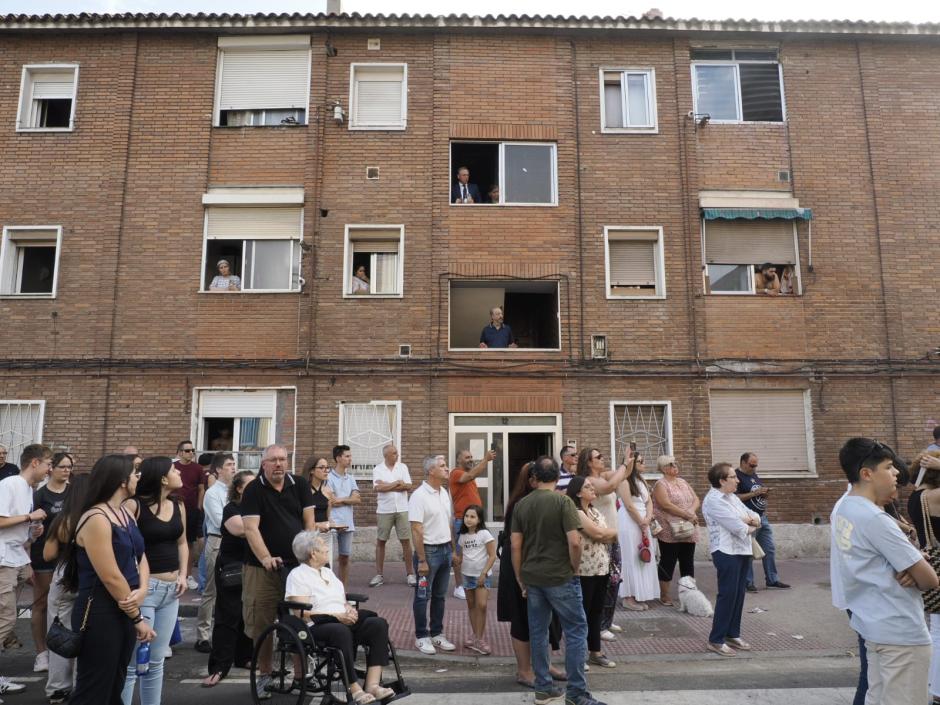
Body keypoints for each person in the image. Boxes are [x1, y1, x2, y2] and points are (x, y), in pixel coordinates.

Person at [834, 438, 938, 704]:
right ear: (867, 474)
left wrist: (912, 563)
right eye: (889, 467)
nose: (895, 474)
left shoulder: (845, 507)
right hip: (901, 632)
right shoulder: (876, 519)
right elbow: (929, 579)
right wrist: (916, 567)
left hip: (873, 625)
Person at [58, 455, 156, 705]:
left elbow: (141, 557)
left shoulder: (125, 514)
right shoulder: (96, 518)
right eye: (135, 473)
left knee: (115, 683)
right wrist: (137, 617)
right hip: (100, 609)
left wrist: (143, 589)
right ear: (121, 480)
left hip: (124, 604)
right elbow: (111, 576)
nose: (138, 477)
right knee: (94, 687)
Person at [512, 456, 605, 705]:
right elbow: (575, 542)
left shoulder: (522, 505)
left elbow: (515, 546)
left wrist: (521, 578)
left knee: (539, 632)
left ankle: (543, 688)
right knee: (576, 631)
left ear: (534, 478)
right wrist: (574, 568)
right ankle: (576, 693)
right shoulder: (563, 502)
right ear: (556, 477)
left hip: (533, 577)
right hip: (560, 575)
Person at [241, 444, 317, 698]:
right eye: (273, 460)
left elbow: (309, 523)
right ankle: (265, 676)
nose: (279, 464)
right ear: (263, 464)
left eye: (283, 459)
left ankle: (301, 675)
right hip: (262, 569)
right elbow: (251, 528)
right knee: (262, 622)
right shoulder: (253, 489)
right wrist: (265, 557)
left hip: (296, 567)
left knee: (297, 621)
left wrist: (311, 558)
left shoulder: (300, 485)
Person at [285, 531, 395, 704]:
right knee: (340, 631)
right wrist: (336, 616)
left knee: (378, 624)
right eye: (323, 546)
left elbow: (340, 600)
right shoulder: (298, 575)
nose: (327, 549)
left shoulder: (328, 572)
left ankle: (372, 685)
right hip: (316, 626)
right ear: (313, 553)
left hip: (341, 618)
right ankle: (354, 688)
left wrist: (349, 609)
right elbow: (301, 613)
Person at [121, 457, 188, 705]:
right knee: (135, 661)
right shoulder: (133, 506)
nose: (179, 471)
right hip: (145, 590)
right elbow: (125, 548)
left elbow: (182, 543)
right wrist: (141, 583)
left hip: (172, 591)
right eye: (173, 469)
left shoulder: (178, 504)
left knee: (156, 660)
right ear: (162, 478)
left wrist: (182, 574)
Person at [497, 462, 565, 689]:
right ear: (531, 480)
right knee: (522, 617)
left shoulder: (544, 500)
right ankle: (524, 670)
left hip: (538, 563)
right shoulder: (520, 504)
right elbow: (517, 543)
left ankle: (544, 665)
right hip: (520, 564)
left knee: (545, 617)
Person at [0, 444, 51, 697]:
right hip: (2, 559)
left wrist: (33, 530)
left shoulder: (29, 490)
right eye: (47, 464)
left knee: (7, 619)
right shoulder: (10, 484)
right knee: (5, 619)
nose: (49, 470)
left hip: (16, 558)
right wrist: (29, 518)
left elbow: (18, 525)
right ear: (34, 463)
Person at [202, 470, 255, 688]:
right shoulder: (231, 508)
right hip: (232, 567)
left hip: (252, 567)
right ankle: (218, 667)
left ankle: (244, 657)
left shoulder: (256, 508)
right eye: (250, 485)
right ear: (240, 488)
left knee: (248, 614)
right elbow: (242, 530)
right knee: (228, 616)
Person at [702, 462, 760, 657]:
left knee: (739, 593)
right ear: (722, 480)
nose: (737, 480)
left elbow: (754, 516)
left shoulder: (732, 497)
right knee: (727, 594)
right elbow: (738, 527)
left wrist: (749, 521)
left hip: (742, 550)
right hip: (725, 551)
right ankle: (716, 639)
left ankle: (732, 634)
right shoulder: (714, 500)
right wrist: (747, 523)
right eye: (734, 477)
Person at [42, 474, 89, 705]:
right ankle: (83, 685)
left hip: (64, 577)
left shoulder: (63, 519)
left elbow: (48, 555)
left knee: (60, 632)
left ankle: (59, 688)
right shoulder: (94, 518)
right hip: (88, 577)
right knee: (84, 632)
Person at [566, 476, 618, 669]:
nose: (592, 489)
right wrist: (605, 534)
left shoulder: (595, 511)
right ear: (578, 492)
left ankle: (595, 652)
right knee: (582, 613)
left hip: (601, 568)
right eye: (587, 487)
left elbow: (610, 535)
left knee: (596, 612)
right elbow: (598, 534)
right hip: (583, 570)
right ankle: (579, 655)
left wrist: (606, 534)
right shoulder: (576, 513)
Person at [576, 447, 628, 638]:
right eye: (598, 457)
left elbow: (622, 476)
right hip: (601, 537)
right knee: (606, 582)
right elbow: (609, 487)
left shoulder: (604, 475)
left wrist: (628, 461)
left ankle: (607, 619)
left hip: (612, 536)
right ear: (589, 462)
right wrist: (624, 464)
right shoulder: (590, 481)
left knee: (614, 580)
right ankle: (600, 626)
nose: (602, 458)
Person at [409, 455, 458, 655]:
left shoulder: (444, 492)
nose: (447, 469)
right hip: (428, 552)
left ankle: (437, 633)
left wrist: (453, 550)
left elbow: (449, 522)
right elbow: (416, 530)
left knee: (440, 595)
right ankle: (422, 636)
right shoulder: (419, 496)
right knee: (423, 596)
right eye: (442, 466)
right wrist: (421, 560)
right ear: (431, 471)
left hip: (445, 549)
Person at [30, 451, 73, 674]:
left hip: (68, 556)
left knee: (63, 605)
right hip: (43, 554)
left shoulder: (73, 492)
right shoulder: (40, 495)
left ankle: (62, 649)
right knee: (42, 602)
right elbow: (31, 525)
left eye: (69, 467)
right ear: (51, 469)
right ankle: (41, 653)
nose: (66, 471)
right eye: (62, 467)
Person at [906, 450, 940, 705]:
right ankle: (937, 691)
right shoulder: (934, 496)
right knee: (939, 632)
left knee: (936, 629)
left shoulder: (916, 497)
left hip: (932, 563)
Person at [195, 453, 236, 653]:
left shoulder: (235, 492)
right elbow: (221, 523)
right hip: (218, 542)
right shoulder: (213, 493)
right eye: (229, 464)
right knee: (211, 590)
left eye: (234, 464)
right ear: (218, 470)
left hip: (234, 543)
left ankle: (229, 633)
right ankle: (203, 636)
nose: (233, 467)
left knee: (232, 589)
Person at [736, 452, 790, 592]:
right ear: (742, 462)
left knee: (769, 549)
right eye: (751, 465)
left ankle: (772, 580)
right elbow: (735, 498)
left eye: (756, 465)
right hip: (748, 520)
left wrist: (764, 493)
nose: (754, 468)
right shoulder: (736, 476)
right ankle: (748, 582)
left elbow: (756, 492)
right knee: (749, 551)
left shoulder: (754, 475)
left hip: (762, 518)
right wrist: (754, 493)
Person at [651, 455, 700, 605]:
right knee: (668, 560)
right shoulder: (661, 484)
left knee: (688, 561)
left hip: (688, 526)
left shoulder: (683, 482)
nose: (675, 466)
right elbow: (666, 505)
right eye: (672, 464)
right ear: (664, 468)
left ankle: (689, 593)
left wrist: (691, 512)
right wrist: (686, 514)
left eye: (675, 463)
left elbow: (696, 499)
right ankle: (664, 595)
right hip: (670, 529)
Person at [449, 448, 496, 599]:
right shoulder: (456, 473)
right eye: (467, 457)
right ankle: (459, 586)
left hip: (476, 521)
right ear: (458, 460)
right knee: (460, 555)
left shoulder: (469, 476)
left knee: (479, 552)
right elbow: (469, 475)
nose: (470, 459)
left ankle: (478, 581)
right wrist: (485, 460)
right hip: (462, 521)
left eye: (471, 457)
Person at [616, 452, 658, 611]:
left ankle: (640, 592)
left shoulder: (642, 480)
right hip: (629, 523)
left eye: (643, 460)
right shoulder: (624, 481)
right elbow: (628, 505)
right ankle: (628, 596)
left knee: (643, 556)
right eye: (640, 461)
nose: (643, 463)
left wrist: (647, 518)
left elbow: (648, 502)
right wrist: (641, 521)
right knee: (630, 557)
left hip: (643, 522)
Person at [370, 444, 416, 588]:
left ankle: (410, 574)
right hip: (384, 510)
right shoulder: (378, 469)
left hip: (402, 508)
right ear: (386, 455)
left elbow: (409, 486)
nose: (397, 455)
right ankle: (379, 575)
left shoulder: (403, 467)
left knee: (406, 541)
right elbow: (378, 488)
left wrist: (387, 486)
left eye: (397, 453)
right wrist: (396, 483)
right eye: (394, 453)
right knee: (381, 541)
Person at [457, 505, 496, 655]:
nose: (468, 519)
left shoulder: (485, 534)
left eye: (472, 516)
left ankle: (480, 638)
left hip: (481, 576)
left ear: (479, 519)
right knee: (472, 606)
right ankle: (475, 636)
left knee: (482, 605)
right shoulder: (463, 536)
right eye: (466, 516)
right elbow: (462, 555)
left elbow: (492, 555)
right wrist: (456, 559)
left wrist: (484, 573)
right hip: (467, 575)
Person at [173, 440, 205, 592]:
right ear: (179, 453)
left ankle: (188, 575)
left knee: (189, 542)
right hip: (174, 509)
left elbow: (201, 489)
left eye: (192, 450)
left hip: (191, 509)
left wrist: (199, 507)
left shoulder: (198, 468)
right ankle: (174, 574)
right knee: (173, 541)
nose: (191, 453)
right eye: (187, 451)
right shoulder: (173, 468)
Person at [327, 445, 361, 586]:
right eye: (347, 456)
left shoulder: (351, 478)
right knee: (327, 559)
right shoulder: (328, 477)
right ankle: (328, 589)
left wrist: (341, 499)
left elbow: (357, 499)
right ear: (338, 458)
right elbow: (331, 501)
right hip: (333, 523)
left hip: (348, 523)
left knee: (345, 557)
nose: (350, 459)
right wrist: (348, 499)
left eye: (350, 456)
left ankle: (343, 590)